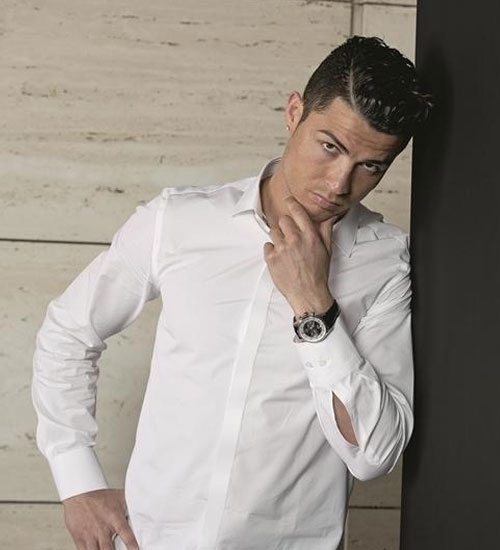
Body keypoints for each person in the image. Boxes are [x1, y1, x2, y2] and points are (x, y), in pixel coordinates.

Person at [32, 36, 433, 550]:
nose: (338, 184)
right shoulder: (179, 221)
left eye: (370, 166)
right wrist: (77, 480)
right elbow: (68, 331)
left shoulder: (385, 262)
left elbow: (375, 454)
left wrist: (314, 306)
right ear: (294, 112)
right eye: (330, 147)